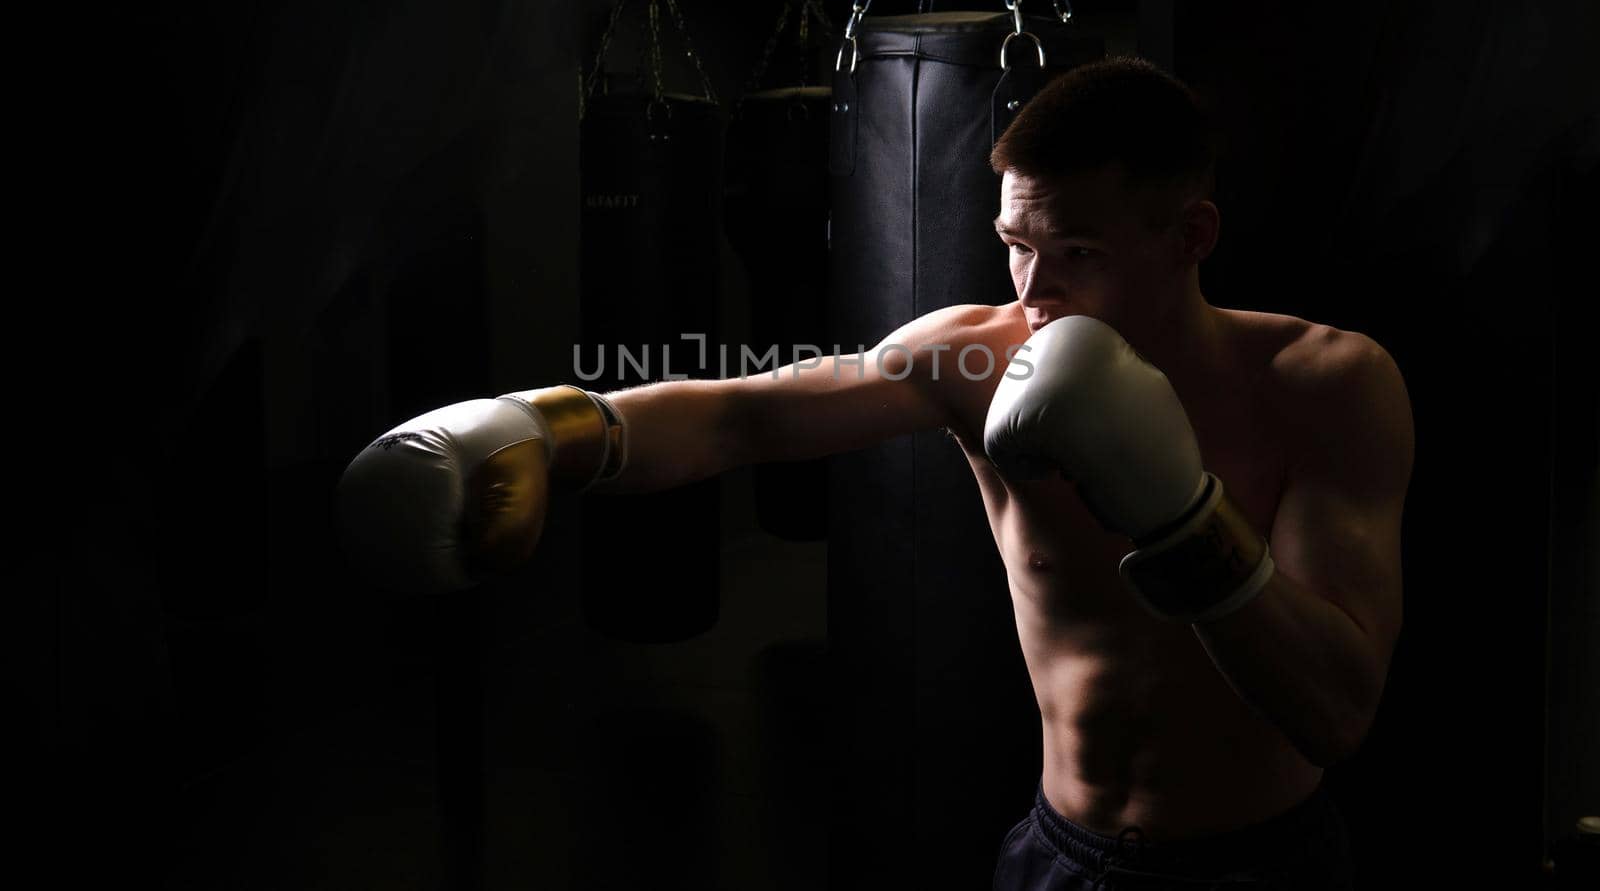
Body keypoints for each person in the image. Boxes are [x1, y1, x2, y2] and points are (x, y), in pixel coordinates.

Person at [339, 56, 1412, 889]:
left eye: (1075, 250)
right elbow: (745, 419)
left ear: (1190, 234)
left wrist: (1183, 518)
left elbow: (1335, 710)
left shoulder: (1323, 383)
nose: (1032, 289)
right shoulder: (977, 354)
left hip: (1259, 862)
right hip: (1056, 853)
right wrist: (539, 425)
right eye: (1012, 243)